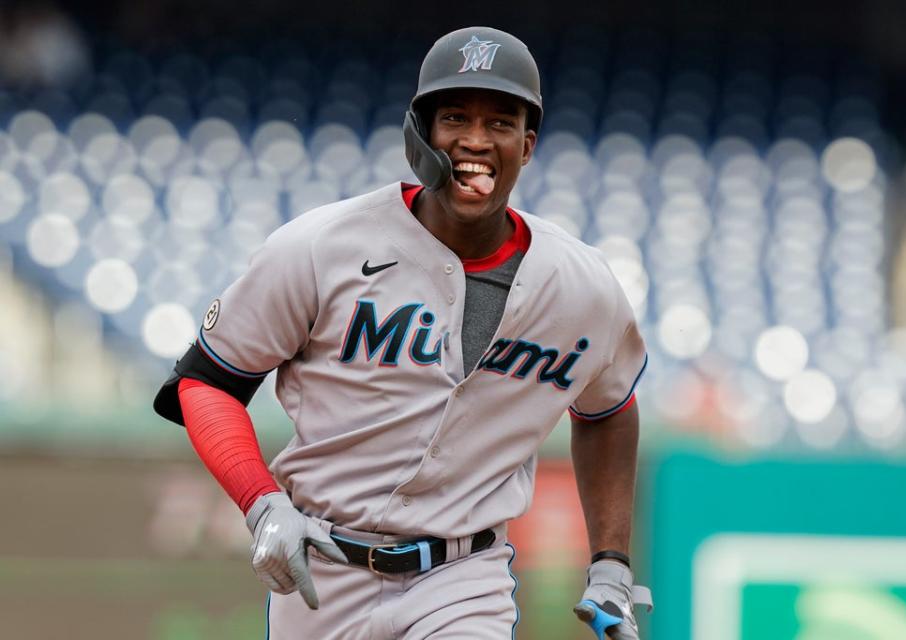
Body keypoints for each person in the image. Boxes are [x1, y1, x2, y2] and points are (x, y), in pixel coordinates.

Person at [154, 25, 652, 640]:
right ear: (419, 134)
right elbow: (206, 383)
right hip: (321, 572)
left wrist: (611, 563)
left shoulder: (583, 286)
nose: (475, 140)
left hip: (463, 576)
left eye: (500, 122)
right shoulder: (320, 247)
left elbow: (608, 410)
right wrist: (261, 503)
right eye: (454, 118)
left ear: (528, 145)